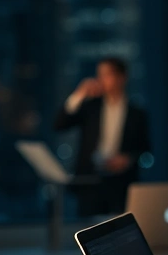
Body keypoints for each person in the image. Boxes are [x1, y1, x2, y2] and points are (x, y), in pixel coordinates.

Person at [54, 57, 151, 217]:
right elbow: (59, 124)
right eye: (100, 75)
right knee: (88, 229)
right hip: (91, 181)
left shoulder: (137, 114)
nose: (101, 80)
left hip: (121, 183)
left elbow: (145, 149)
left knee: (121, 228)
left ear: (122, 77)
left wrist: (127, 159)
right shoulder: (91, 107)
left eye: (107, 75)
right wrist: (80, 94)